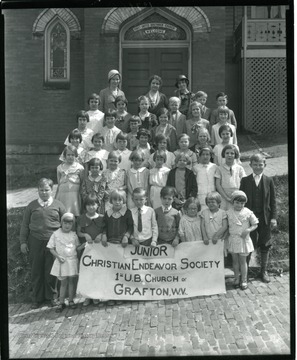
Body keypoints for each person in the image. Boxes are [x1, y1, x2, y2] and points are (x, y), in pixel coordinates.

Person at [19, 178, 66, 309]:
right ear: (37, 191)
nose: (44, 193)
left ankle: (52, 297)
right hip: (35, 241)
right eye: (41, 190)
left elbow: (66, 224)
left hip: (53, 242)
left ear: (52, 190)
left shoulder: (58, 205)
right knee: (36, 270)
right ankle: (37, 298)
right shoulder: (31, 206)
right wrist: (23, 242)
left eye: (47, 190)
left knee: (51, 270)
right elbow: (24, 225)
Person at [240, 153, 277, 283]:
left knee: (265, 244)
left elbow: (273, 201)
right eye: (255, 165)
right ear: (250, 165)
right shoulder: (245, 181)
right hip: (250, 218)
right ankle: (247, 271)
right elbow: (241, 202)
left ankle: (263, 271)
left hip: (265, 218)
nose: (257, 167)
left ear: (265, 165)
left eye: (260, 164)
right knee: (249, 243)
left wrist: (273, 218)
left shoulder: (268, 180)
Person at [47, 213, 80, 312]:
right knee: (63, 283)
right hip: (62, 262)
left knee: (71, 282)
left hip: (72, 261)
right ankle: (61, 302)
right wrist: (58, 256)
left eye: (70, 224)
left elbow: (77, 247)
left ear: (72, 224)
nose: (67, 225)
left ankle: (71, 300)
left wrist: (85, 246)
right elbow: (51, 248)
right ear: (61, 223)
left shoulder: (73, 235)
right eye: (65, 223)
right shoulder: (56, 234)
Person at [226, 190, 258, 290]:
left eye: (242, 203)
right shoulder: (228, 212)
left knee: (243, 261)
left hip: (243, 240)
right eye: (237, 203)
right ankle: (236, 278)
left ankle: (244, 280)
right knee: (235, 261)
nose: (239, 205)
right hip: (233, 239)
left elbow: (255, 224)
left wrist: (248, 230)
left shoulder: (247, 212)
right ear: (233, 202)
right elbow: (226, 226)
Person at [76, 194, 104, 306]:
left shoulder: (102, 217)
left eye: (93, 204)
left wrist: (101, 235)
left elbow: (105, 231)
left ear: (97, 205)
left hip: (98, 250)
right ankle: (87, 296)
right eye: (88, 205)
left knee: (97, 272)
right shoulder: (81, 218)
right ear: (85, 206)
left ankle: (96, 295)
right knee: (87, 273)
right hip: (86, 250)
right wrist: (85, 234)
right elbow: (78, 232)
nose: (91, 207)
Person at [55, 145, 84, 216]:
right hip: (63, 193)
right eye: (68, 155)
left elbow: (82, 181)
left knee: (75, 211)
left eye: (72, 155)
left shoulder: (80, 168)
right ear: (64, 156)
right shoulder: (60, 168)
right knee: (63, 212)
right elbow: (59, 182)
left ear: (76, 156)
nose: (70, 157)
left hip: (75, 194)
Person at [215, 144, 246, 211]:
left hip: (237, 197)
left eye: (232, 153)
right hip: (224, 196)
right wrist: (226, 198)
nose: (229, 155)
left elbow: (244, 182)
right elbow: (218, 184)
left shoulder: (239, 168)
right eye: (227, 153)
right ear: (224, 154)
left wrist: (238, 196)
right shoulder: (220, 168)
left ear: (235, 155)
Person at [193, 146, 217, 211]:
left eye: (207, 154)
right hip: (200, 194)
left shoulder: (214, 167)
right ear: (199, 156)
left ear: (210, 156)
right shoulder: (195, 168)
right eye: (203, 154)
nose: (205, 156)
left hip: (212, 193)